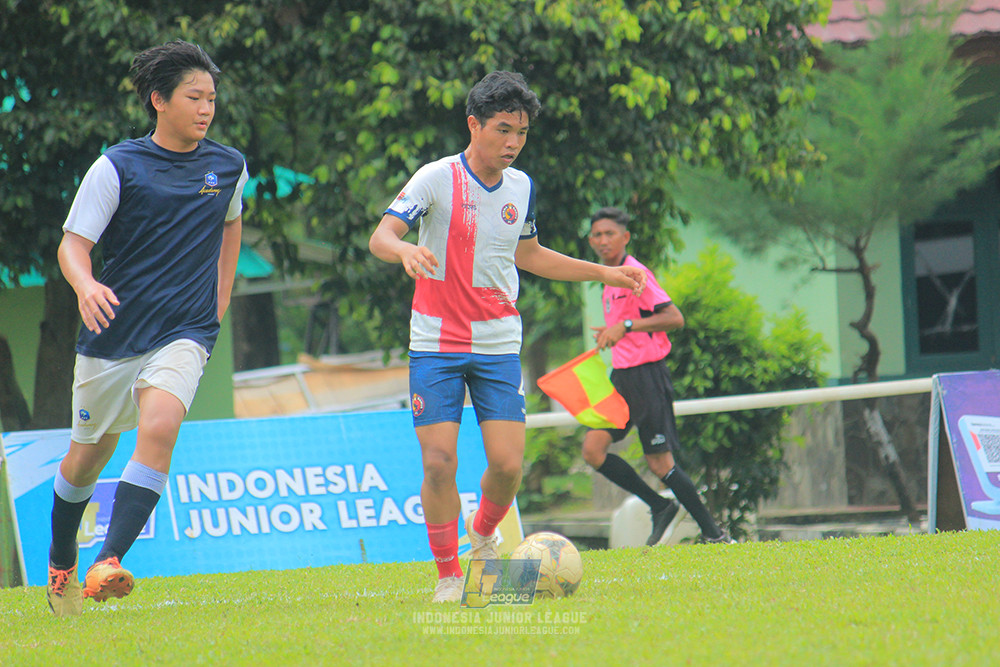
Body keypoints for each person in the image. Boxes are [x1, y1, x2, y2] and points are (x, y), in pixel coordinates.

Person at [369, 71, 647, 603]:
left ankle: (483, 535)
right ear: (473, 124)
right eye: (503, 129)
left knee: (507, 464)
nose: (514, 142)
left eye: (521, 132)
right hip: (435, 343)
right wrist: (405, 251)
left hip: (498, 343)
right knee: (438, 462)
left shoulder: (521, 187)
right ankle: (450, 575)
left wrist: (603, 272)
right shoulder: (435, 178)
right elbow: (383, 234)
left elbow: (530, 255)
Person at [45, 40, 248, 617]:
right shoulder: (117, 165)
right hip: (113, 333)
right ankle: (62, 561)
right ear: (159, 100)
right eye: (194, 97)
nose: (206, 108)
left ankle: (108, 561)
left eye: (212, 97)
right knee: (86, 457)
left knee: (160, 426)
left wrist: (220, 297)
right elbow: (73, 245)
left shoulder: (228, 165)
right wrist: (86, 287)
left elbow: (231, 224)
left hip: (185, 329)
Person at [583, 206, 734, 546]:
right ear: (591, 240)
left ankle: (714, 534)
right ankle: (660, 506)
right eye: (597, 235)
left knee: (660, 462)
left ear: (625, 237)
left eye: (610, 234)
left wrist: (625, 326)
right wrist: (613, 331)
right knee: (593, 450)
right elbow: (627, 325)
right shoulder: (610, 277)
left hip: (647, 377)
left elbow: (674, 318)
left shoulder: (636, 273)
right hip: (621, 378)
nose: (603, 240)